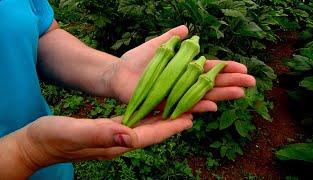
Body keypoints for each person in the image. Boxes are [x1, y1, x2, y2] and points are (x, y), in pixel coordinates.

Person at [0, 0, 256, 179]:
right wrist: (26, 152)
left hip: (51, 172)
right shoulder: (32, 151)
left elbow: (40, 34)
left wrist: (110, 74)